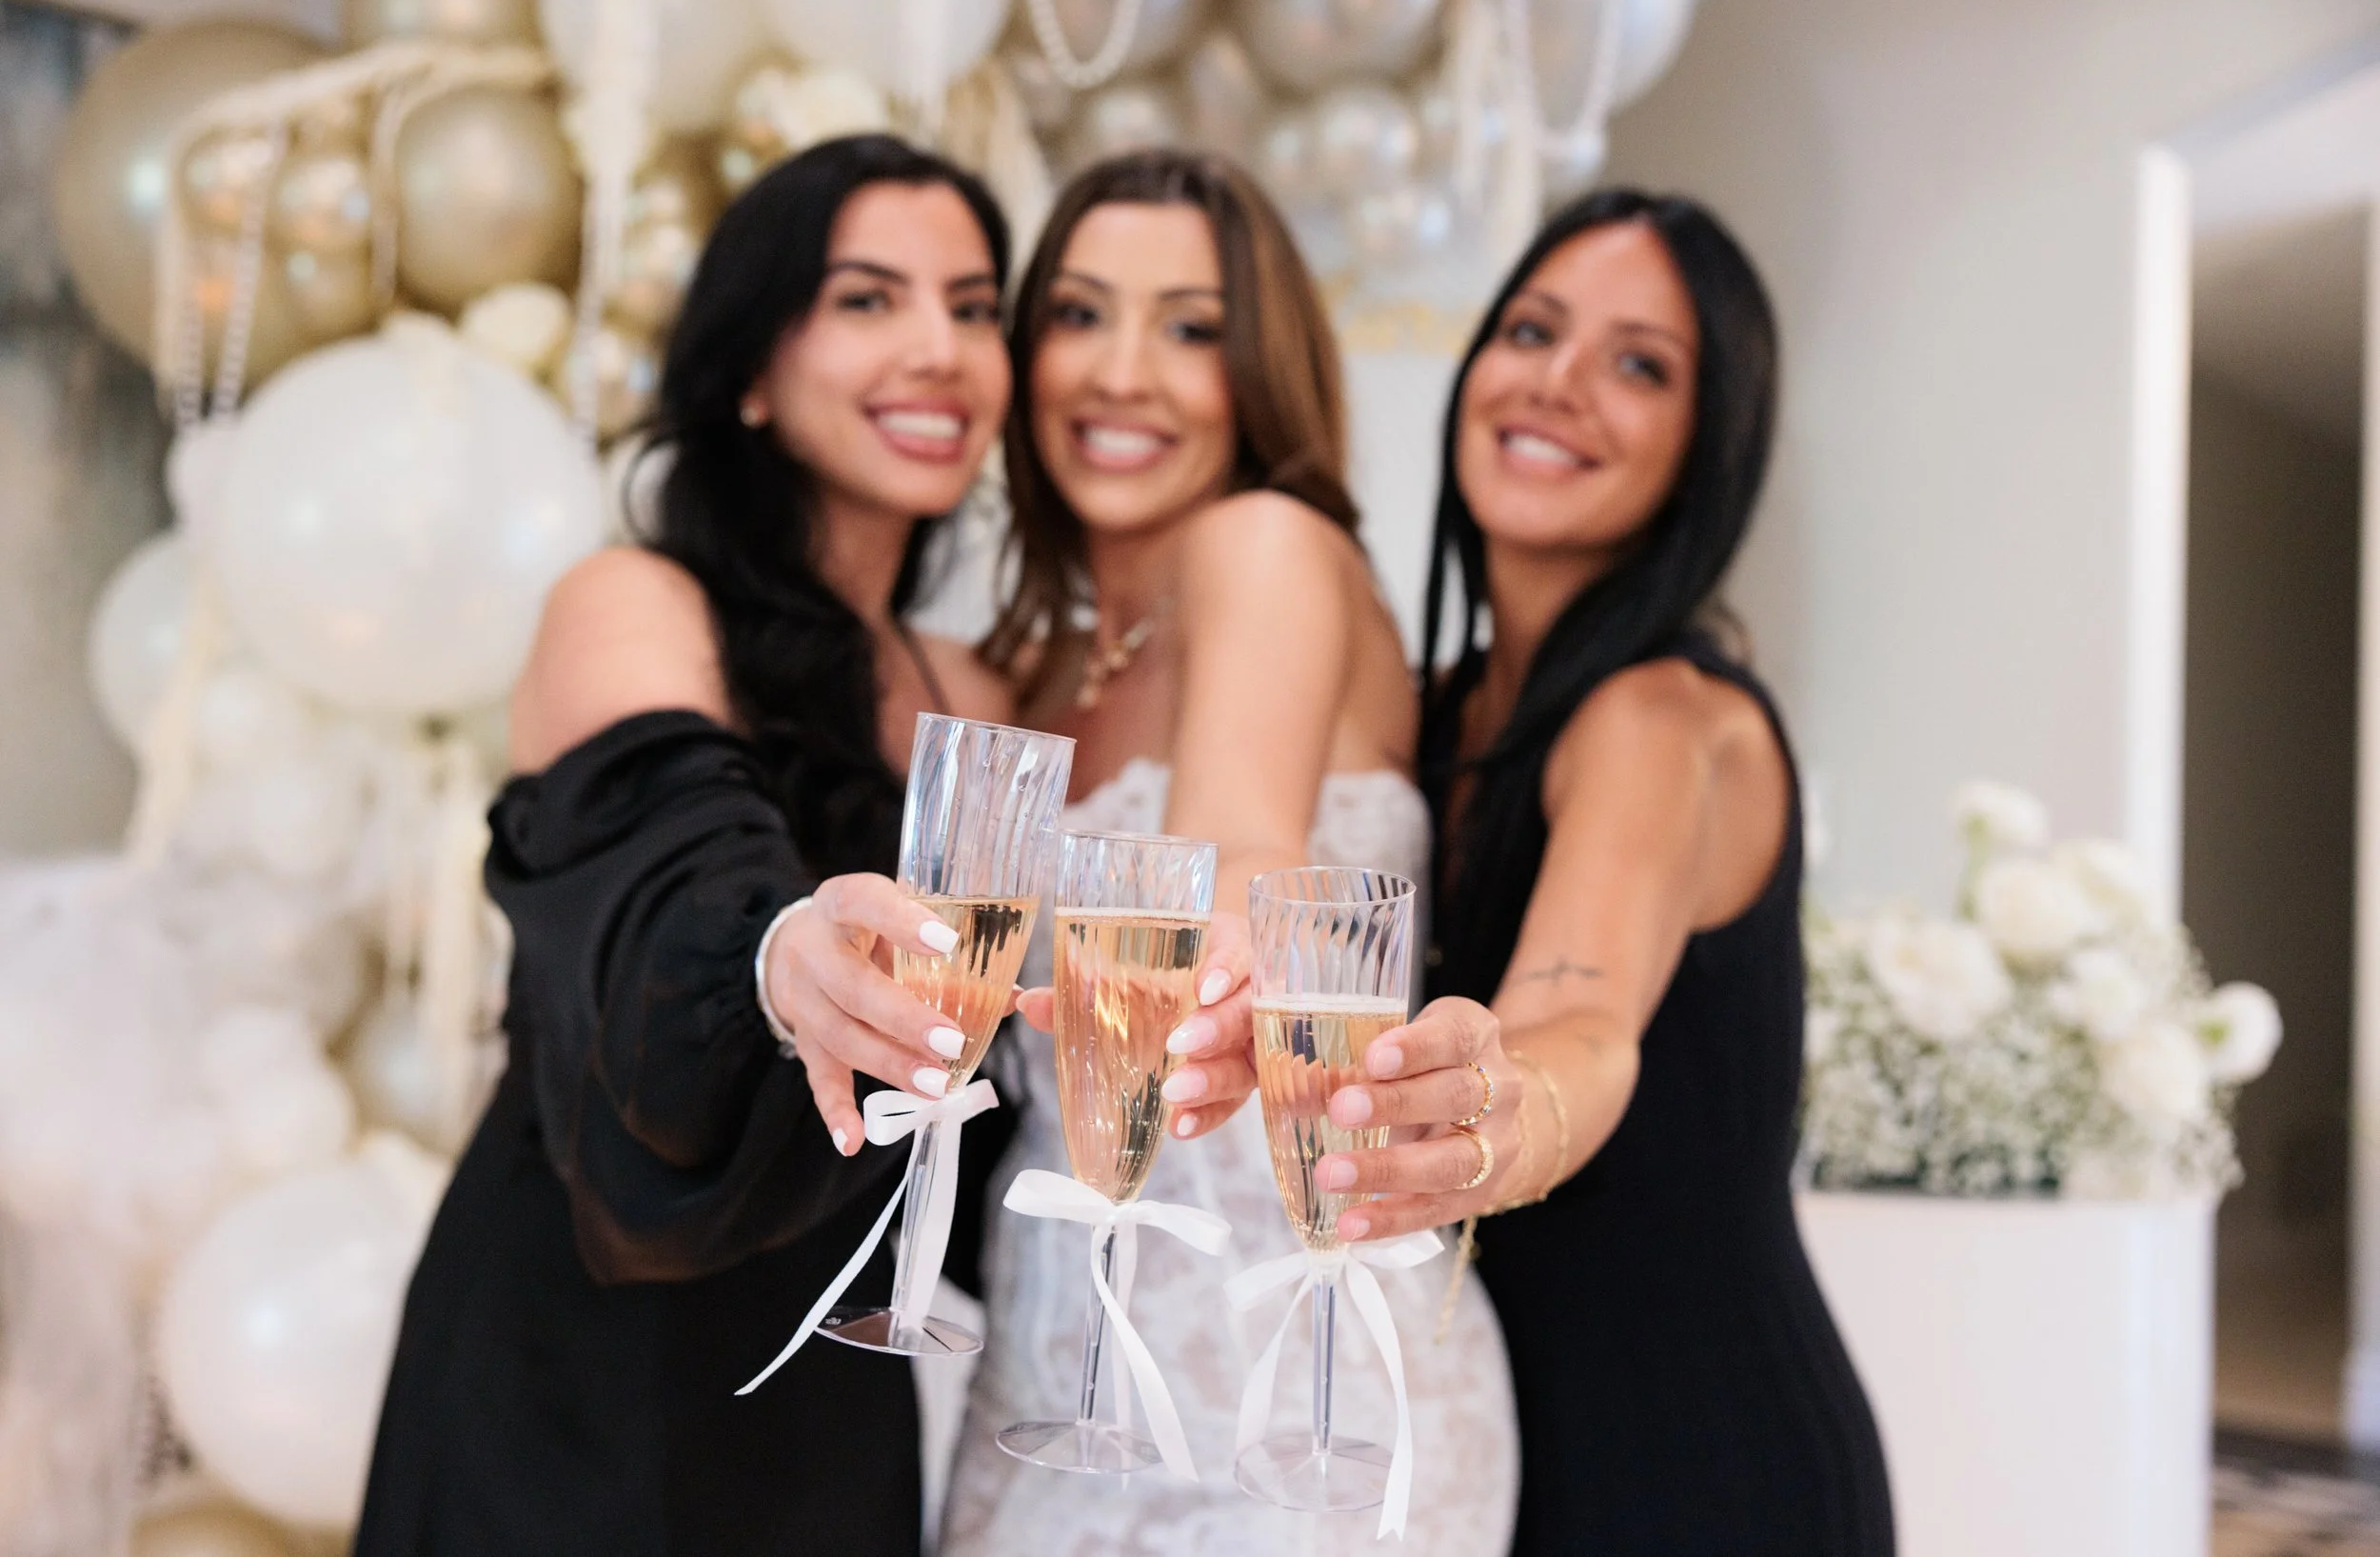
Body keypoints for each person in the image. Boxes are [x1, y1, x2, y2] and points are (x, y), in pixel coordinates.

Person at [355, 134, 1025, 1557]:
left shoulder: (979, 695)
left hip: (828, 1373)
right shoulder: (633, 603)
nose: (940, 349)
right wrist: (789, 955)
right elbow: (677, 868)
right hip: (580, 1352)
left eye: (974, 307)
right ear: (747, 372)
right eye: (867, 300)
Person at [935, 150, 1518, 1557]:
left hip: (1294, 1382)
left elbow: (1237, 846)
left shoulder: (1268, 544)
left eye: (1190, 328)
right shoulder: (1018, 673)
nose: (1121, 372)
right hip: (1056, 1369)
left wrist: (1233, 934)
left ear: (1260, 369)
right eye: (1078, 315)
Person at [1310, 190, 1896, 1555]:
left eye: (1640, 364)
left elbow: (1581, 1013)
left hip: (1706, 1457)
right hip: (1508, 1441)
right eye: (1530, 330)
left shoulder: (1665, 719)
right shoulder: (1439, 712)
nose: (1558, 384)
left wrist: (1500, 1097)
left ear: (1707, 447)